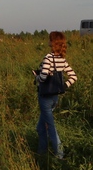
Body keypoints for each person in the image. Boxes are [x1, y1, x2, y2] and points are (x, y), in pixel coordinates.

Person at [33, 30, 77, 159]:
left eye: (49, 39)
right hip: (55, 97)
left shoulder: (48, 57)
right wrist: (63, 87)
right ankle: (41, 151)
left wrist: (36, 77)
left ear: (53, 42)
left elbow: (43, 76)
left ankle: (60, 154)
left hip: (45, 97)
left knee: (50, 126)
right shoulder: (62, 59)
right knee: (40, 127)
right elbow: (73, 77)